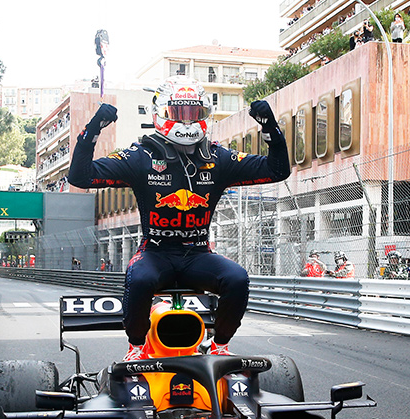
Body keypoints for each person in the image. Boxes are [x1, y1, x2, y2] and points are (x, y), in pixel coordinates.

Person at [68, 76, 290, 361]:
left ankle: (219, 345)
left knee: (237, 278)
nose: (187, 121)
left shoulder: (218, 157)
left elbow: (277, 170)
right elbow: (80, 177)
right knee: (139, 279)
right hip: (155, 253)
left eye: (194, 112)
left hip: (198, 255)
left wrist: (270, 128)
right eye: (179, 112)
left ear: (205, 113)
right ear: (161, 113)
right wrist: (93, 129)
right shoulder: (140, 156)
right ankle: (136, 348)